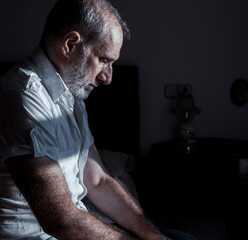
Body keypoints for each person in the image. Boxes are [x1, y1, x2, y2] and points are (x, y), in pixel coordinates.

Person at [0, 0, 196, 239]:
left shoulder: (72, 96)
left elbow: (98, 180)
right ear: (70, 44)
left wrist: (151, 234)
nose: (108, 78)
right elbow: (60, 220)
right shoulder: (23, 97)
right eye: (104, 60)